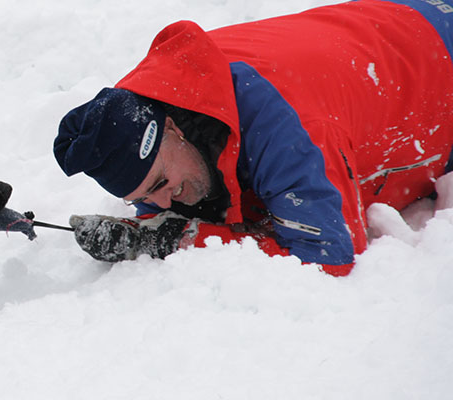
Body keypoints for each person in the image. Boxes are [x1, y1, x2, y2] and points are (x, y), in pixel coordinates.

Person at [53, 0, 453, 276]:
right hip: (392, 22)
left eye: (158, 184)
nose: (158, 204)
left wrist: (178, 240)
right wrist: (148, 231)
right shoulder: (149, 106)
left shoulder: (284, 123)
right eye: (140, 199)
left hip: (437, 56)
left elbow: (327, 257)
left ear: (174, 129)